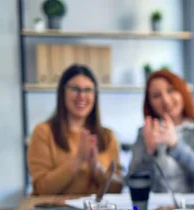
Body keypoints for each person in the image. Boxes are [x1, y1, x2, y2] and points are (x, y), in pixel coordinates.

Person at [27, 64, 123, 195]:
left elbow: (117, 188)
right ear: (62, 93)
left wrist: (96, 168)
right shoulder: (43, 132)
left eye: (88, 90)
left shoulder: (108, 136)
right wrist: (77, 161)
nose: (82, 96)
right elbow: (42, 189)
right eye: (75, 89)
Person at [128, 69, 194, 193]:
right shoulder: (144, 133)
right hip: (159, 209)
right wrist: (149, 153)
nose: (165, 100)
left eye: (171, 90)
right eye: (156, 96)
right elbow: (133, 182)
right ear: (149, 103)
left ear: (182, 92)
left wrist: (176, 145)